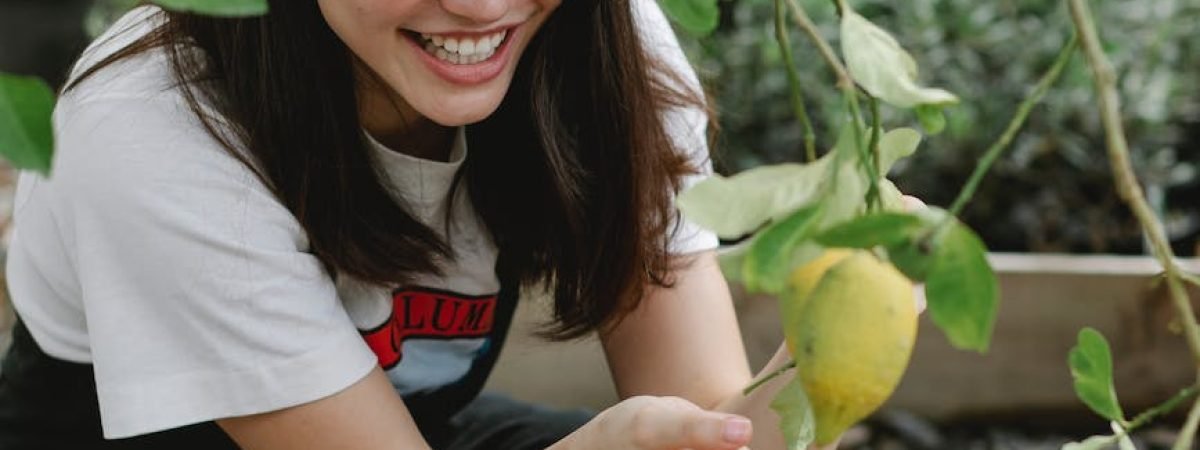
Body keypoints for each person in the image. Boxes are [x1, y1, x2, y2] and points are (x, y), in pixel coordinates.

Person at [0, 0, 824, 449]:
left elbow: (716, 422)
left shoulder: (603, 44)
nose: (480, 6)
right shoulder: (157, 122)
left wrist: (831, 351)